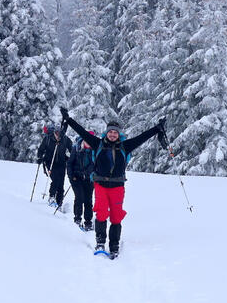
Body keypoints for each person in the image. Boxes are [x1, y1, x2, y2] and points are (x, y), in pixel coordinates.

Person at [60, 107, 168, 259]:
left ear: (119, 134)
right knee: (102, 213)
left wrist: (157, 128)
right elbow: (82, 132)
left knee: (116, 217)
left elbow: (142, 137)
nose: (112, 134)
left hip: (117, 187)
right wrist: (68, 119)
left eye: (115, 132)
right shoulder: (97, 143)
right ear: (107, 132)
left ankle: (114, 245)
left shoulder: (126, 145)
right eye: (110, 132)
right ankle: (100, 242)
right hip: (101, 186)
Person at [36, 123, 72, 208]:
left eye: (59, 133)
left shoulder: (65, 139)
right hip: (50, 162)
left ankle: (59, 203)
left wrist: (73, 159)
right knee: (55, 179)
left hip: (62, 163)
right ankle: (52, 197)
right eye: (56, 133)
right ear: (54, 132)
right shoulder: (48, 139)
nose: (57, 135)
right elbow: (41, 150)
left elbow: (72, 150)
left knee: (61, 184)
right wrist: (40, 157)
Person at [67, 133, 96, 231]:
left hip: (89, 179)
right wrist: (71, 176)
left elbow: (95, 165)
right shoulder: (76, 148)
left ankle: (88, 222)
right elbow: (70, 163)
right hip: (76, 178)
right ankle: (77, 219)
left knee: (88, 200)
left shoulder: (95, 151)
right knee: (79, 197)